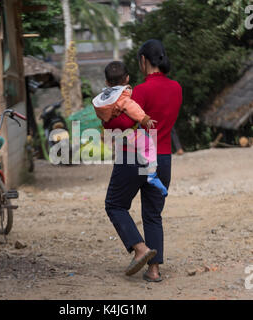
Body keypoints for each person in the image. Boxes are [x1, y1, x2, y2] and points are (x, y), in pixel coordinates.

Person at [103, 39, 182, 281]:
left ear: (143, 61)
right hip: (164, 157)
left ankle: (140, 248)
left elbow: (126, 124)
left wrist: (107, 119)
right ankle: (154, 271)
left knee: (115, 204)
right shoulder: (177, 88)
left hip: (136, 156)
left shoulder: (141, 91)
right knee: (153, 213)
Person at [92, 61, 168, 196]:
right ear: (127, 78)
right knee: (148, 145)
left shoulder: (105, 98)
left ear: (106, 82)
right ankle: (151, 175)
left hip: (117, 135)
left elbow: (103, 117)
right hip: (131, 133)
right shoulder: (123, 96)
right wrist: (144, 119)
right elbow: (131, 108)